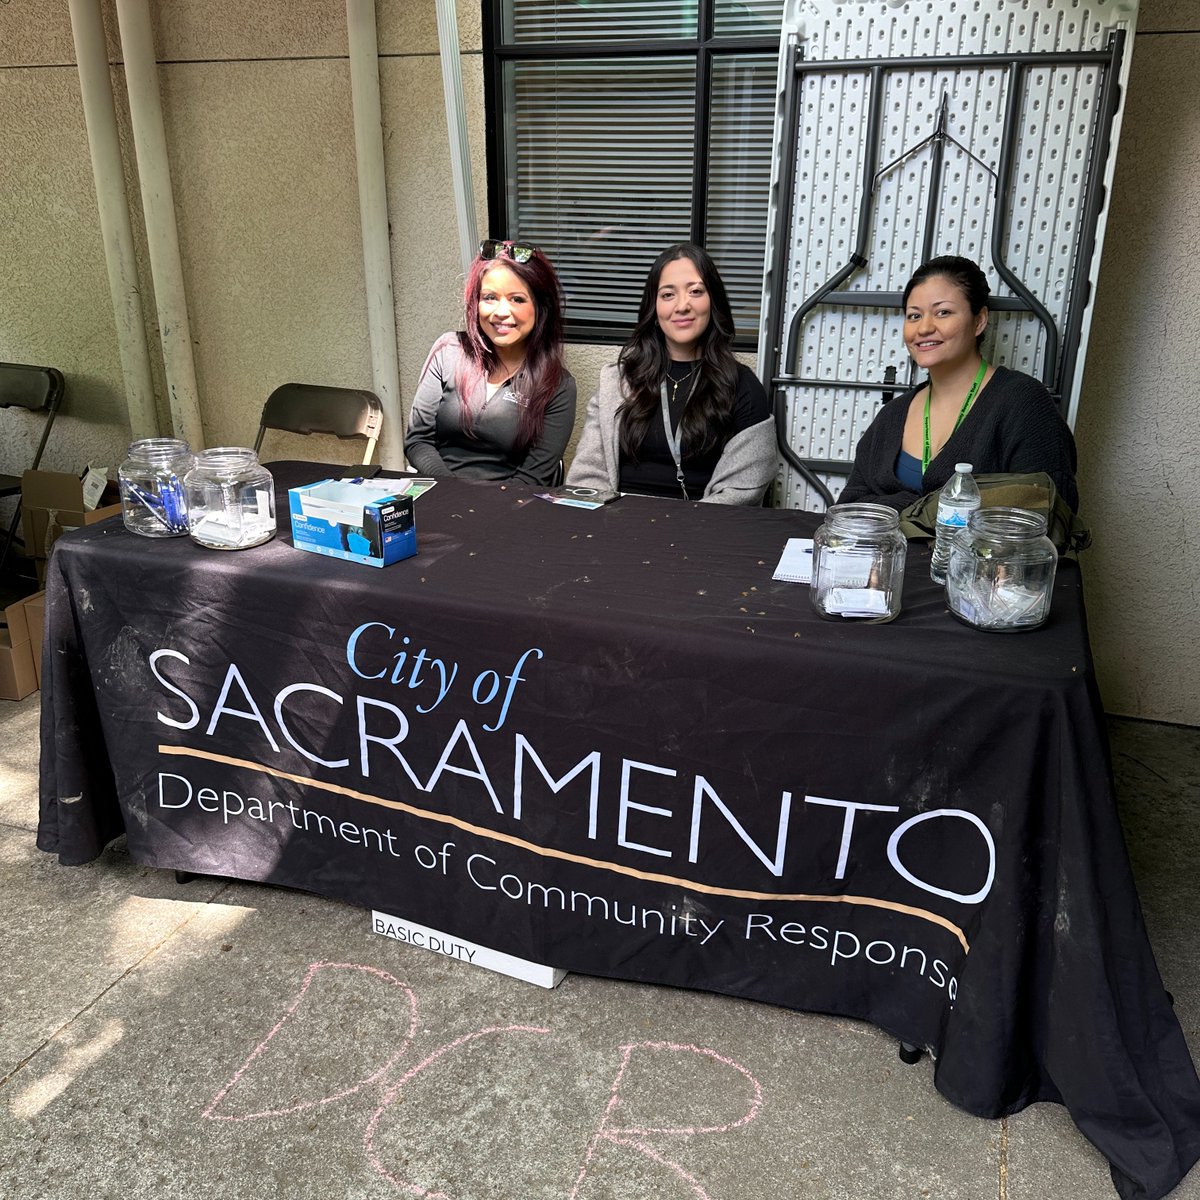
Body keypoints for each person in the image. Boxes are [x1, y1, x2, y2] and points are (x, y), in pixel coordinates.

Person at [839, 255, 1078, 511]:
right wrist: (922, 508)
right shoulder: (892, 415)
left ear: (979, 321)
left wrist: (903, 511)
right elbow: (848, 510)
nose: (924, 328)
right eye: (914, 316)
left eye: (943, 312)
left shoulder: (1023, 402)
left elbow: (1046, 510)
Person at [566, 243, 775, 504]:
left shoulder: (742, 387)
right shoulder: (618, 381)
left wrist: (680, 529)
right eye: (668, 295)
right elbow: (587, 476)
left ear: (713, 302)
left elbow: (743, 489)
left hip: (702, 529)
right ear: (654, 309)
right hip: (616, 525)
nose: (682, 305)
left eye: (696, 291)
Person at [405, 240, 576, 485]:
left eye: (517, 299)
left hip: (508, 507)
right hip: (438, 492)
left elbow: (533, 477)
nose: (501, 312)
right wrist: (453, 491)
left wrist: (479, 506)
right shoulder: (449, 351)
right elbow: (418, 440)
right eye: (490, 297)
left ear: (541, 307)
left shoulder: (557, 384)